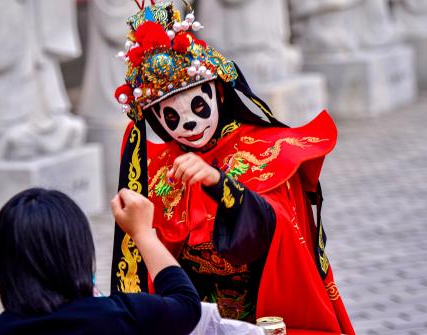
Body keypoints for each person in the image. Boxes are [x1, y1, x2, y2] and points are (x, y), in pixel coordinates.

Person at [110, 1, 355, 334]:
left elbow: (277, 225)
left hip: (265, 310)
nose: (190, 123)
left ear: (219, 96)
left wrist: (220, 184)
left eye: (198, 105)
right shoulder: (156, 170)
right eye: (172, 117)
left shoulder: (267, 149)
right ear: (155, 120)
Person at [0, 188, 201, 335]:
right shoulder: (118, 318)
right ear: (80, 254)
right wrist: (142, 233)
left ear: (0, 265)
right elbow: (186, 303)